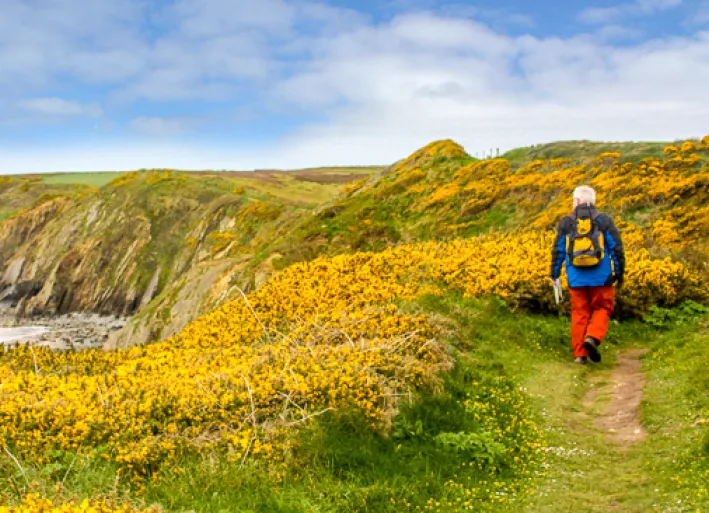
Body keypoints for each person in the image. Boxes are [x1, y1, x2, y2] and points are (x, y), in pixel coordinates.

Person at [550, 186, 625, 364]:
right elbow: (616, 248)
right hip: (602, 277)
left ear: (576, 201)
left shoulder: (566, 222)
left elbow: (558, 250)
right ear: (593, 201)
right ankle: (592, 337)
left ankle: (580, 355)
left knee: (579, 313)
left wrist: (554, 274)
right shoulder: (603, 220)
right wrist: (619, 272)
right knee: (602, 308)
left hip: (576, 278)